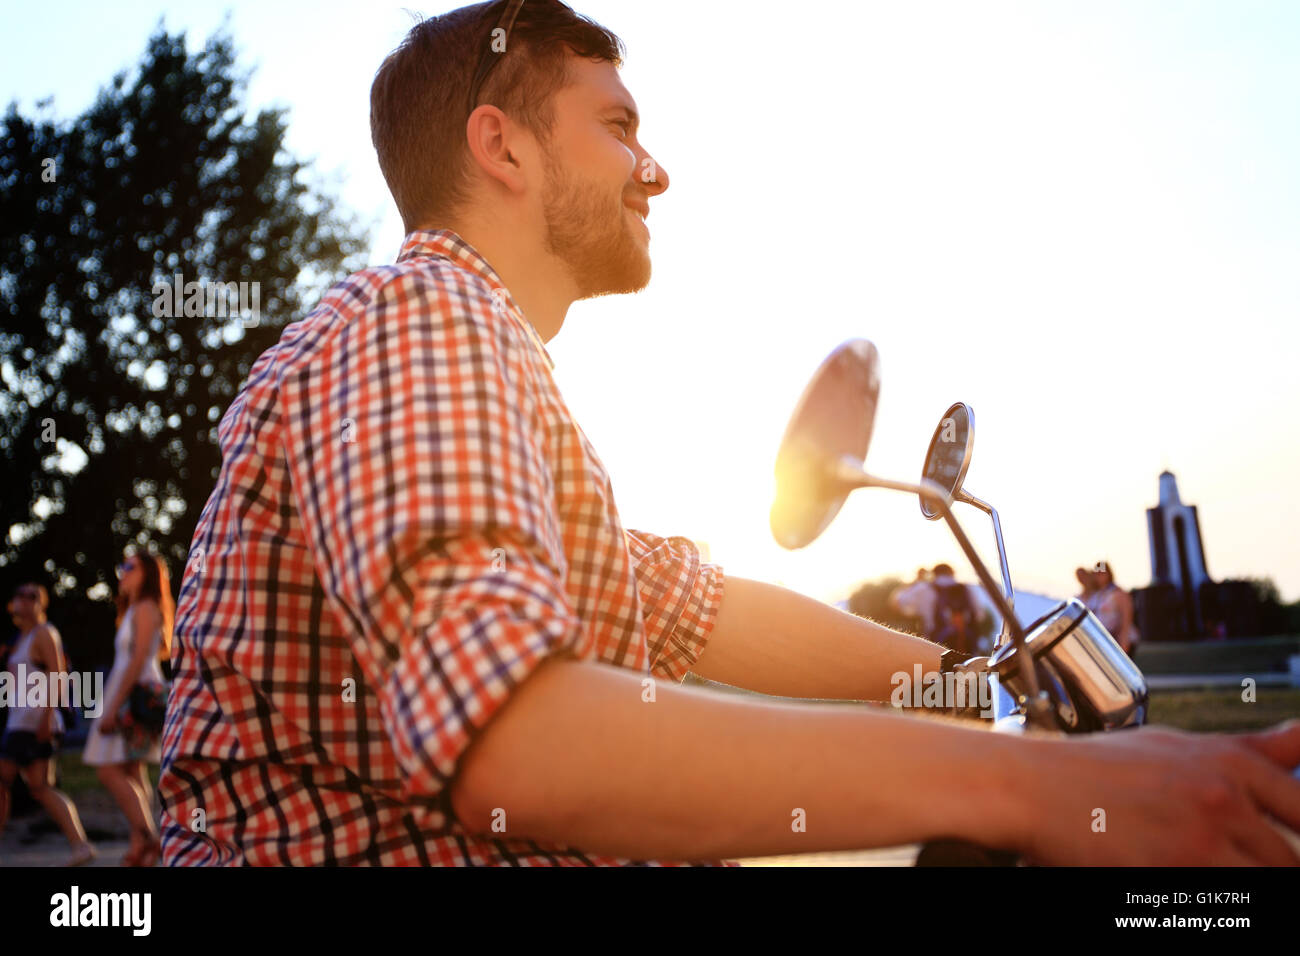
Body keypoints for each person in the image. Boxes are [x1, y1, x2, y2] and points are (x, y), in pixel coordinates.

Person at [159, 0, 1300, 866]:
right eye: (616, 127)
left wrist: (983, 686)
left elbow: (679, 603)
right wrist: (1039, 792)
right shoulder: (419, 318)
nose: (656, 168)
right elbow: (520, 736)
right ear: (502, 148)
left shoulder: (481, 361)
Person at [82, 552, 172, 866]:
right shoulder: (133, 609)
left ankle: (148, 835)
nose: (123, 571)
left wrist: (113, 707)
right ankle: (141, 849)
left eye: (130, 566)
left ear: (147, 574)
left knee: (108, 769)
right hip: (131, 691)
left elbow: (136, 662)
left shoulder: (146, 607)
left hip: (136, 695)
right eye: (122, 565)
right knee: (133, 770)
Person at [0, 583, 95, 865]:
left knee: (9, 782)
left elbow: (58, 675)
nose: (25, 600)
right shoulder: (20, 640)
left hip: (34, 723)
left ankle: (81, 845)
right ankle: (81, 846)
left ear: (42, 604)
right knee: (39, 787)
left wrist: (46, 719)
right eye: (20, 594)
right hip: (19, 723)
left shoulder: (44, 633)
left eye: (33, 596)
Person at [1091, 560, 1139, 656]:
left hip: (1119, 639)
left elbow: (1127, 618)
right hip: (1107, 639)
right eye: (1097, 573)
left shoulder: (1118, 592)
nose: (1099, 576)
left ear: (1108, 574)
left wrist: (1124, 641)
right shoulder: (1098, 594)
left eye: (1102, 573)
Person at [888, 568, 934, 636]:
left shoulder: (918, 587)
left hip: (922, 626)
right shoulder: (930, 587)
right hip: (928, 625)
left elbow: (897, 602)